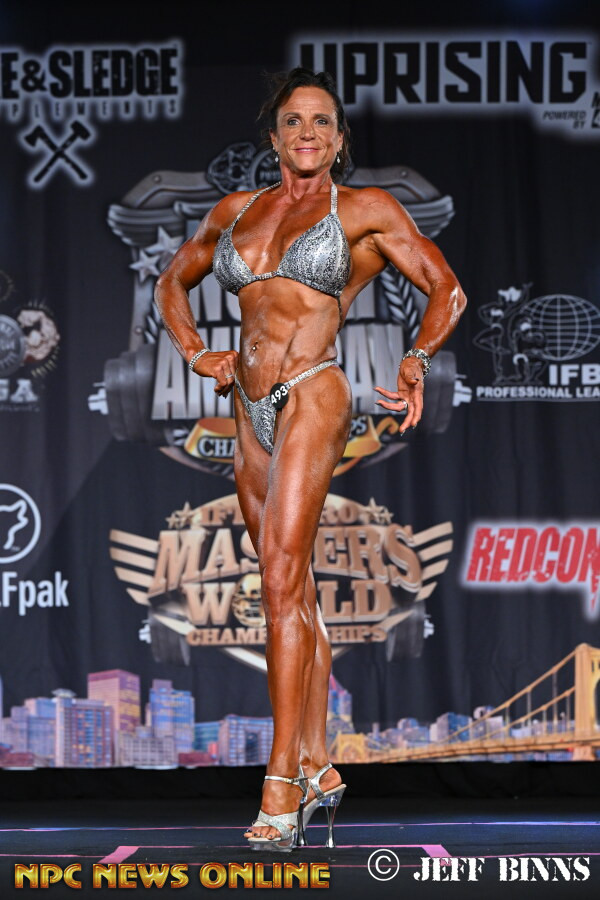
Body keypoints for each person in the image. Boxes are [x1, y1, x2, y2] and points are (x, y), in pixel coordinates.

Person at [155, 67, 467, 852]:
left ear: (339, 138)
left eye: (322, 122)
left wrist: (416, 360)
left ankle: (282, 780)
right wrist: (195, 351)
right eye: (294, 121)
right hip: (247, 406)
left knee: (280, 577)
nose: (307, 133)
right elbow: (172, 283)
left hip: (313, 392)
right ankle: (321, 761)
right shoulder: (236, 211)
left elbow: (447, 289)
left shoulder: (364, 210)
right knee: (291, 591)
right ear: (274, 137)